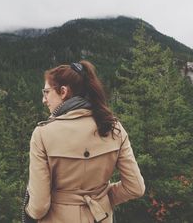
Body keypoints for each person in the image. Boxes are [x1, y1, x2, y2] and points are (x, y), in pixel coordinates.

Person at [24, 60, 145, 222]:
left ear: (63, 91)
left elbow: (39, 207)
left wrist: (28, 210)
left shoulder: (42, 134)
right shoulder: (113, 127)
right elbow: (135, 188)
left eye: (46, 92)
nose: (44, 100)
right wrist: (100, 199)